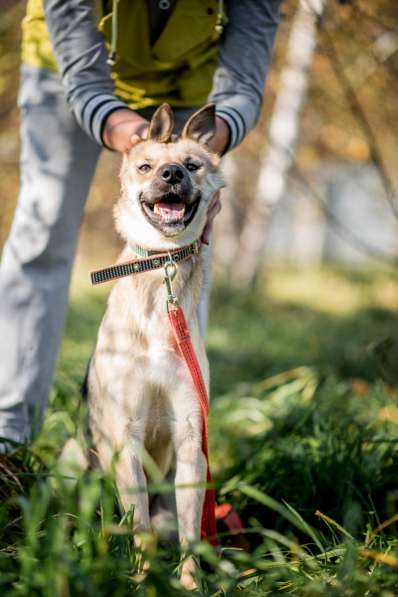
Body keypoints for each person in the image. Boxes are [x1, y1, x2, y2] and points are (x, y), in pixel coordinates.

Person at [0, 0, 281, 449]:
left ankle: (171, 450)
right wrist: (122, 130)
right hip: (68, 61)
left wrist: (202, 164)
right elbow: (82, 66)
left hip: (191, 75)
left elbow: (244, 80)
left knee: (189, 250)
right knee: (43, 223)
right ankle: (9, 435)